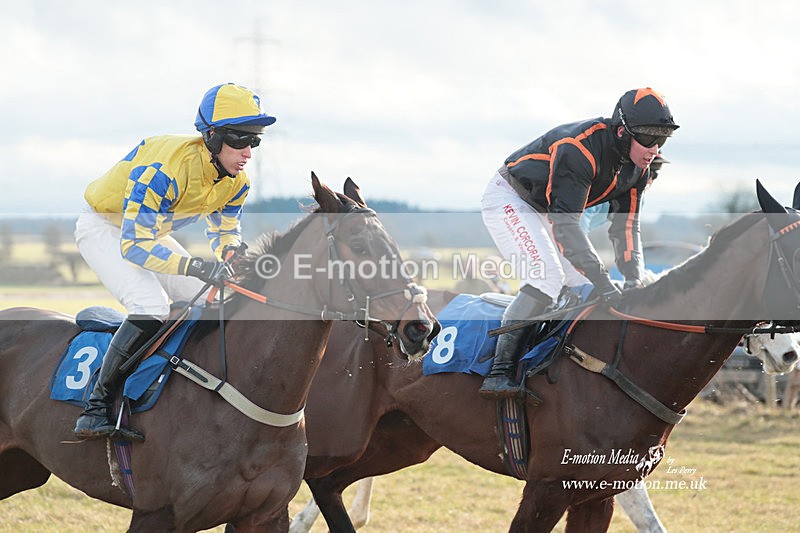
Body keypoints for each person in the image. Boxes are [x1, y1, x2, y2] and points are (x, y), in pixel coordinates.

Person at [73, 83, 276, 440]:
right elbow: (135, 246)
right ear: (212, 137)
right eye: (240, 139)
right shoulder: (164, 171)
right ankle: (95, 406)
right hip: (104, 226)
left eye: (254, 141)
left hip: (149, 232)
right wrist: (194, 265)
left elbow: (226, 229)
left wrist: (230, 253)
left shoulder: (237, 182)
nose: (248, 152)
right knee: (150, 305)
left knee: (213, 300)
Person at [479, 88, 678, 399]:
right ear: (622, 132)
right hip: (512, 198)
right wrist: (603, 280)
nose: (654, 149)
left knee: (582, 290)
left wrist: (632, 279)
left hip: (548, 209)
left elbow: (626, 226)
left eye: (662, 140)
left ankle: (549, 365)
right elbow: (566, 226)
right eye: (648, 138)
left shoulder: (638, 168)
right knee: (547, 278)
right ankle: (498, 372)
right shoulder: (579, 150)